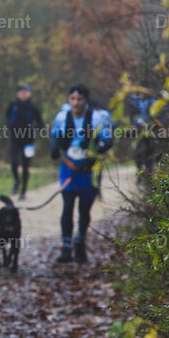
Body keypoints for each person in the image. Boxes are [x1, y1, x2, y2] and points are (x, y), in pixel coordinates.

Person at [49, 84, 113, 264]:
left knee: (84, 210)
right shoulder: (62, 117)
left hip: (89, 171)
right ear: (69, 100)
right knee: (67, 206)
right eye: (72, 99)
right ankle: (66, 247)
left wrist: (96, 147)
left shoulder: (97, 118)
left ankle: (80, 243)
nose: (75, 103)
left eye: (79, 100)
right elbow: (54, 135)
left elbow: (108, 140)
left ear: (86, 101)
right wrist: (54, 148)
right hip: (69, 168)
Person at [6, 82, 45, 200]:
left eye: (25, 92)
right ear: (18, 93)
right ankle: (17, 181)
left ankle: (23, 191)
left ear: (29, 93)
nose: (23, 94)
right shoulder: (12, 106)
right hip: (15, 139)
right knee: (13, 162)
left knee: (26, 166)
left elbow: (41, 125)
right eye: (21, 92)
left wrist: (33, 129)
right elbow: (7, 118)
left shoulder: (33, 108)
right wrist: (10, 126)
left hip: (29, 141)